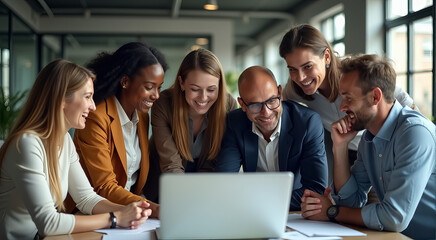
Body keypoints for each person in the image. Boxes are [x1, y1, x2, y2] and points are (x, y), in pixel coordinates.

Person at [0, 59, 152, 239]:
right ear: (61, 99)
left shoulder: (64, 139)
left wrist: (130, 210)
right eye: (87, 97)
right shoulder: (26, 144)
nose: (93, 106)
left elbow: (86, 198)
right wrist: (115, 218)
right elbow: (48, 223)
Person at [300, 54, 435, 240]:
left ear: (375, 96)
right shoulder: (369, 137)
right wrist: (340, 148)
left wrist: (332, 211)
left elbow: (394, 217)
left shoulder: (415, 133)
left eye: (348, 98)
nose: (342, 108)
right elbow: (352, 202)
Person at [279, 24, 417, 186]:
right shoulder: (294, 89)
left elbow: (406, 104)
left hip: (385, 149)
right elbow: (282, 115)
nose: (301, 77)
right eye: (292, 69)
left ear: (327, 57)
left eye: (307, 66)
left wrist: (419, 139)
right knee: (345, 204)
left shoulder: (353, 74)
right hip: (349, 155)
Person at [72, 42, 167, 217]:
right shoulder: (96, 117)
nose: (156, 95)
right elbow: (105, 187)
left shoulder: (142, 116)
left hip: (129, 212)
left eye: (159, 87)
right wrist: (155, 209)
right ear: (125, 81)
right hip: (89, 213)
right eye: (149, 87)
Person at [216, 66, 328, 210]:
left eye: (271, 101)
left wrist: (256, 200)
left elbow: (315, 191)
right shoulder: (234, 123)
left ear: (280, 93)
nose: (266, 112)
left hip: (294, 214)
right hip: (254, 213)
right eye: (255, 105)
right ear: (242, 104)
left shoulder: (307, 123)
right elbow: (224, 183)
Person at [151, 48, 237, 173]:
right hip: (164, 181)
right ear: (181, 83)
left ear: (220, 85)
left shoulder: (228, 106)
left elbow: (220, 160)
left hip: (208, 181)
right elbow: (171, 164)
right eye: (195, 89)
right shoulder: (163, 104)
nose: (203, 97)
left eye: (211, 90)